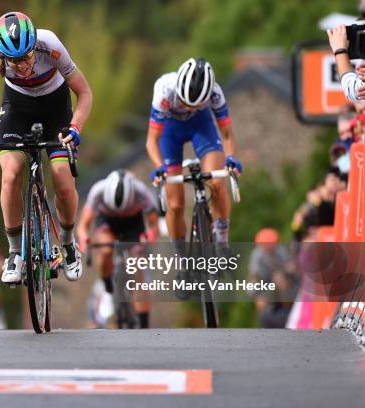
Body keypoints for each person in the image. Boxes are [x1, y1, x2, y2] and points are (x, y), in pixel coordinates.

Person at [0, 11, 93, 284]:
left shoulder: (49, 45)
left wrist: (75, 127)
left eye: (27, 56)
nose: (23, 65)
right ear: (3, 56)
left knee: (64, 180)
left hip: (56, 108)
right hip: (17, 108)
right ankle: (15, 253)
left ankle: (67, 243)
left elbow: (85, 93)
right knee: (12, 175)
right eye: (14, 61)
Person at [145, 57, 241, 290]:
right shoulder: (164, 90)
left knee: (217, 181)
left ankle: (222, 241)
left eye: (194, 105)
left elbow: (227, 135)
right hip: (169, 134)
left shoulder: (215, 93)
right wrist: (160, 167)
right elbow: (152, 141)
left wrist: (230, 159)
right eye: (186, 103)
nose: (188, 108)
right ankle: (182, 262)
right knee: (175, 204)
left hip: (202, 128)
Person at [77, 170, 159, 328]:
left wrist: (148, 237)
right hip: (107, 222)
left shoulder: (140, 191)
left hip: (133, 224)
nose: (119, 212)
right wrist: (84, 239)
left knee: (138, 266)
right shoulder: (98, 191)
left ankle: (144, 323)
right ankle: (108, 287)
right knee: (106, 249)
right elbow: (83, 225)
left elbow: (154, 225)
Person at [248, 228, 297, 328]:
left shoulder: (281, 251)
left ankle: (290, 312)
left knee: (280, 280)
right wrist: (257, 296)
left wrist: (287, 272)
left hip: (284, 284)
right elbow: (253, 277)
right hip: (266, 288)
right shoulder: (257, 256)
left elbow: (290, 268)